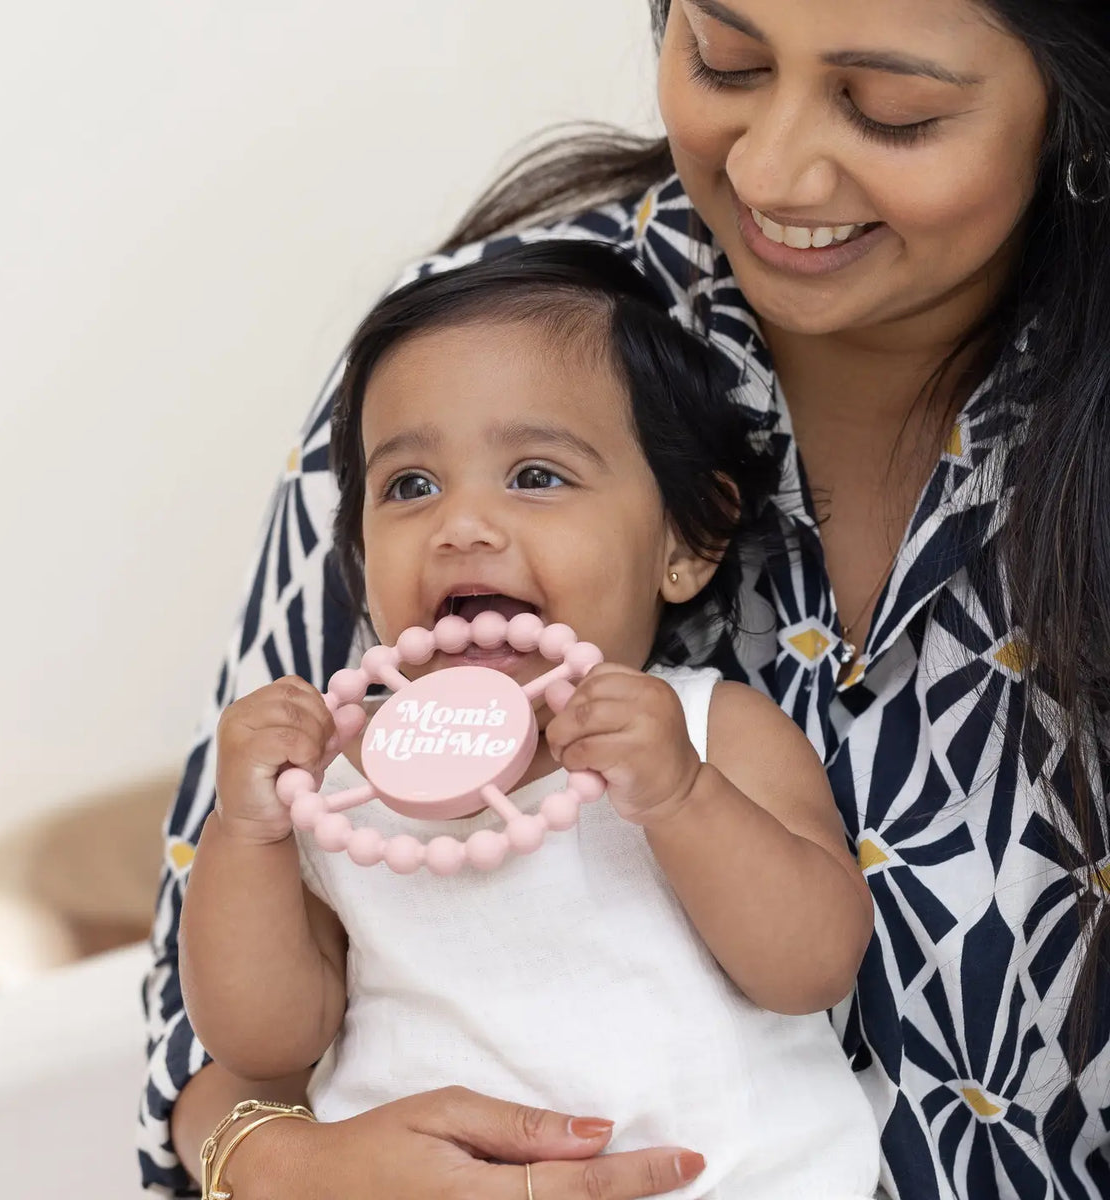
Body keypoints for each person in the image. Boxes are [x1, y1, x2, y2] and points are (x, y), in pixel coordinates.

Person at [139, 2, 1110, 1198]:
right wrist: (247, 855)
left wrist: (681, 797)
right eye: (725, 60)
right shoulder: (466, 346)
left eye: (890, 109)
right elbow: (240, 1043)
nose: (770, 166)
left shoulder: (692, 734)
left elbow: (812, 956)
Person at [178, 240, 880, 1200]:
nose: (461, 524)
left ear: (687, 540)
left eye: (537, 476)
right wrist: (245, 831)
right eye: (409, 486)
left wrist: (681, 797)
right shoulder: (342, 781)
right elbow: (266, 1040)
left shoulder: (711, 729)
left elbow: (812, 965)